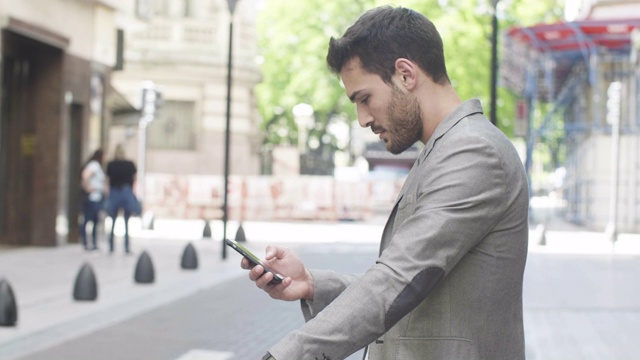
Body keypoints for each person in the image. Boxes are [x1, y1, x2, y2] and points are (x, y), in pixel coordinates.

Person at [243, 6, 529, 360]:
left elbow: (398, 280)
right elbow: (416, 285)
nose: (363, 119)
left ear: (406, 74)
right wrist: (313, 284)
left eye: (364, 99)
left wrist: (287, 355)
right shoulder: (443, 149)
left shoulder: (473, 152)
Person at [105, 144, 139, 254]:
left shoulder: (111, 165)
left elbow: (108, 180)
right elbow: (134, 179)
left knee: (113, 221)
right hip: (126, 192)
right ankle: (126, 247)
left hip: (115, 192)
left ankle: (111, 246)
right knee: (126, 222)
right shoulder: (129, 165)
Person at [80, 149, 106, 250]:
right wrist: (87, 187)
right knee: (87, 219)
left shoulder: (97, 166)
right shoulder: (94, 165)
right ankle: (86, 242)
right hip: (92, 197)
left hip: (97, 197)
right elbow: (85, 175)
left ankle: (93, 242)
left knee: (95, 220)